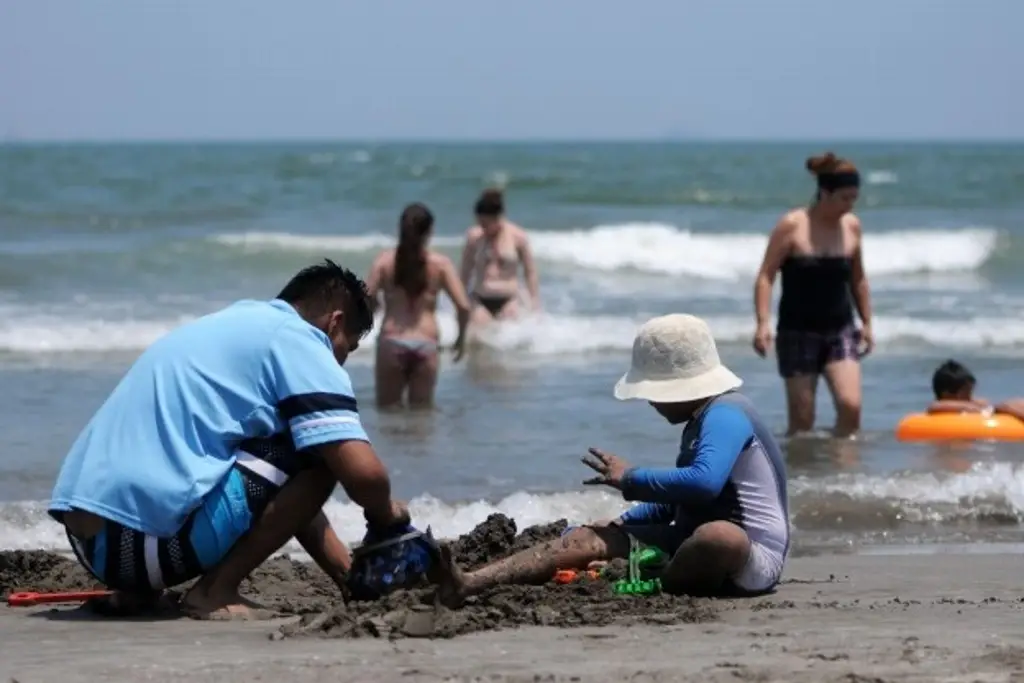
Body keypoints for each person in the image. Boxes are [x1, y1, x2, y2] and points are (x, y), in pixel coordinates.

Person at [47, 260, 411, 619]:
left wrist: (349, 580)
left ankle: (140, 592)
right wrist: (388, 518)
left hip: (91, 545)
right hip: (135, 552)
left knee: (297, 450)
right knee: (321, 455)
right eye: (346, 350)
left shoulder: (238, 324)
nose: (340, 362)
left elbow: (288, 499)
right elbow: (365, 477)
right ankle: (213, 592)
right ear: (335, 323)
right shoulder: (301, 340)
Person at [434, 313, 790, 605]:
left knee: (720, 537)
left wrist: (631, 478)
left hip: (751, 560)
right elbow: (675, 504)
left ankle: (656, 581)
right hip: (688, 541)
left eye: (655, 391)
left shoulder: (728, 413)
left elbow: (703, 483)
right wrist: (619, 525)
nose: (651, 402)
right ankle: (470, 583)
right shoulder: (699, 421)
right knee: (591, 537)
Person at [752, 151, 874, 438]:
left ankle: (843, 472)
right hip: (797, 331)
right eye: (845, 197)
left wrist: (867, 323)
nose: (850, 205)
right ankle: (804, 476)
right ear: (825, 192)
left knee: (851, 406)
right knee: (803, 421)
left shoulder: (852, 227)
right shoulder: (792, 226)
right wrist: (762, 323)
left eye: (854, 198)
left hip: (840, 329)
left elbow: (858, 279)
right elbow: (766, 275)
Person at [366, 203, 472, 409]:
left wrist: (375, 306)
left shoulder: (384, 262)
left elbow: (365, 296)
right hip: (426, 343)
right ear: (430, 231)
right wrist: (460, 339)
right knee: (421, 418)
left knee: (388, 414)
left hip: (392, 341)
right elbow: (464, 307)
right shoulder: (440, 265)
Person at [459, 188, 541, 325]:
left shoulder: (518, 237)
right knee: (478, 333)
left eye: (485, 224)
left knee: (509, 330)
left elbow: (530, 272)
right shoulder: (474, 237)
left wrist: (535, 301)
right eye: (479, 223)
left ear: (498, 218)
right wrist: (460, 301)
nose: (482, 228)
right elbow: (465, 272)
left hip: (509, 299)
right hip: (481, 298)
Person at [927, 359, 1024, 419]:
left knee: (1007, 405)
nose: (970, 397)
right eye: (966, 392)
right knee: (1004, 407)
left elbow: (983, 403)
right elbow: (935, 406)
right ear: (947, 394)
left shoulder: (969, 403)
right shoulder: (939, 407)